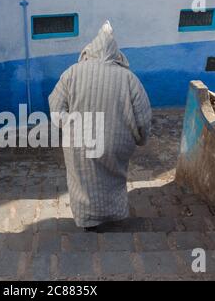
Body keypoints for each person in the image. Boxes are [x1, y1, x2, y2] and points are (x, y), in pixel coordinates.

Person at [49, 21, 152, 231]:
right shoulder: (129, 79)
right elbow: (143, 117)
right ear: (117, 54)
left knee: (83, 181)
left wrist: (73, 125)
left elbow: (55, 108)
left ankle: (88, 221)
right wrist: (141, 139)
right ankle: (114, 215)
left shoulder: (71, 73)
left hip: (79, 141)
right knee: (113, 179)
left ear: (89, 50)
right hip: (117, 141)